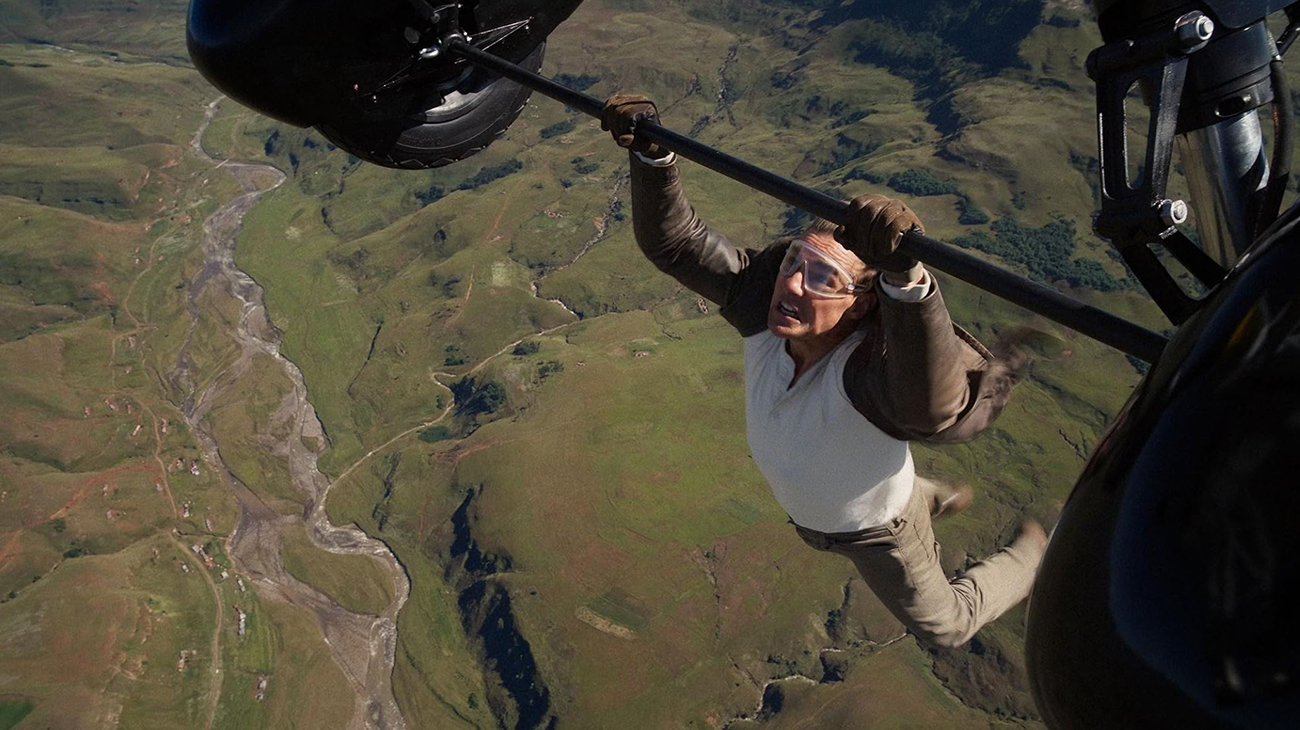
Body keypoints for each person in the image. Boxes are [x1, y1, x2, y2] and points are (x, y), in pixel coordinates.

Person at [602, 94, 1048, 648]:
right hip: (828, 511)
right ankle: (934, 497)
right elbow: (677, 245)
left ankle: (1032, 557)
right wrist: (652, 154)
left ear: (859, 306)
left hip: (877, 534)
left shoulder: (866, 376)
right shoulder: (765, 315)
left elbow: (930, 405)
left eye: (821, 279)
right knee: (896, 490)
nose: (791, 284)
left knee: (947, 627)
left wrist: (905, 281)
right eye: (794, 262)